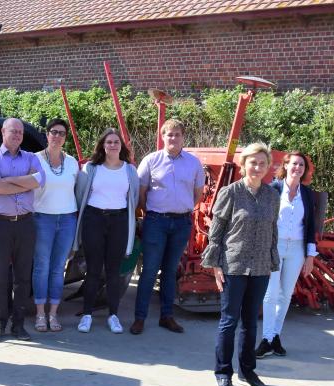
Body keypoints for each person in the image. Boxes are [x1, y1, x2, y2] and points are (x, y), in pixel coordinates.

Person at [201, 143, 279, 386]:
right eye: (253, 162)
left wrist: (272, 260)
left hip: (260, 267)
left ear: (268, 167)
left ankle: (248, 370)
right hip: (233, 265)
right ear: (244, 165)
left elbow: (273, 230)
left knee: (250, 323)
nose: (257, 167)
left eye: (262, 163)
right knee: (229, 321)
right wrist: (215, 264)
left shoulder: (272, 196)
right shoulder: (231, 193)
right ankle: (223, 372)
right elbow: (217, 231)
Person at [131, 119, 205, 335]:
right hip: (156, 222)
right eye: (169, 134)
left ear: (183, 137)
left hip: (182, 223)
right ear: (162, 136)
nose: (173, 138)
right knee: (150, 270)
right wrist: (152, 212)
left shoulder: (193, 163)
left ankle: (167, 316)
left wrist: (182, 208)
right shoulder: (151, 160)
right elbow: (141, 193)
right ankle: (140, 318)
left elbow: (197, 194)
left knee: (171, 271)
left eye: (177, 134)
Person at [0, 118, 45, 341]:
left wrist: (8, 180)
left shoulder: (31, 157)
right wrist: (23, 182)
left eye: (20, 132)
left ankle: (18, 324)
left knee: (23, 277)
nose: (17, 135)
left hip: (26, 223)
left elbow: (39, 180)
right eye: (13, 131)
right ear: (3, 132)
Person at [73, 128, 139, 334]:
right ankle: (86, 315)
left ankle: (113, 315)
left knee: (113, 271)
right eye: (109, 142)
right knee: (93, 270)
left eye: (116, 142)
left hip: (119, 221)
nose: (112, 145)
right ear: (102, 145)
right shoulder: (91, 168)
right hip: (94, 219)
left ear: (121, 146)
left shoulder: (130, 170)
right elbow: (80, 194)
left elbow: (134, 197)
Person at [257, 151, 318, 358]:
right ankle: (266, 338)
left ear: (305, 170)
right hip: (275, 246)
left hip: (297, 249)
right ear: (285, 165)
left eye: (301, 165)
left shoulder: (307, 194)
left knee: (286, 294)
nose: (297, 168)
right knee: (271, 293)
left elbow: (310, 226)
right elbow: (263, 220)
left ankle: (275, 336)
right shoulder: (273, 189)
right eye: (294, 164)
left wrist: (310, 256)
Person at [32, 118, 79, 332]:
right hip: (43, 219)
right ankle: (40, 314)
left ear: (65, 137)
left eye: (61, 133)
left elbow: (77, 189)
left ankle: (53, 314)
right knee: (42, 266)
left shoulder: (72, 162)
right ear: (47, 134)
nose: (57, 136)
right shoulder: (34, 160)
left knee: (59, 267)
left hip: (67, 219)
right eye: (54, 132)